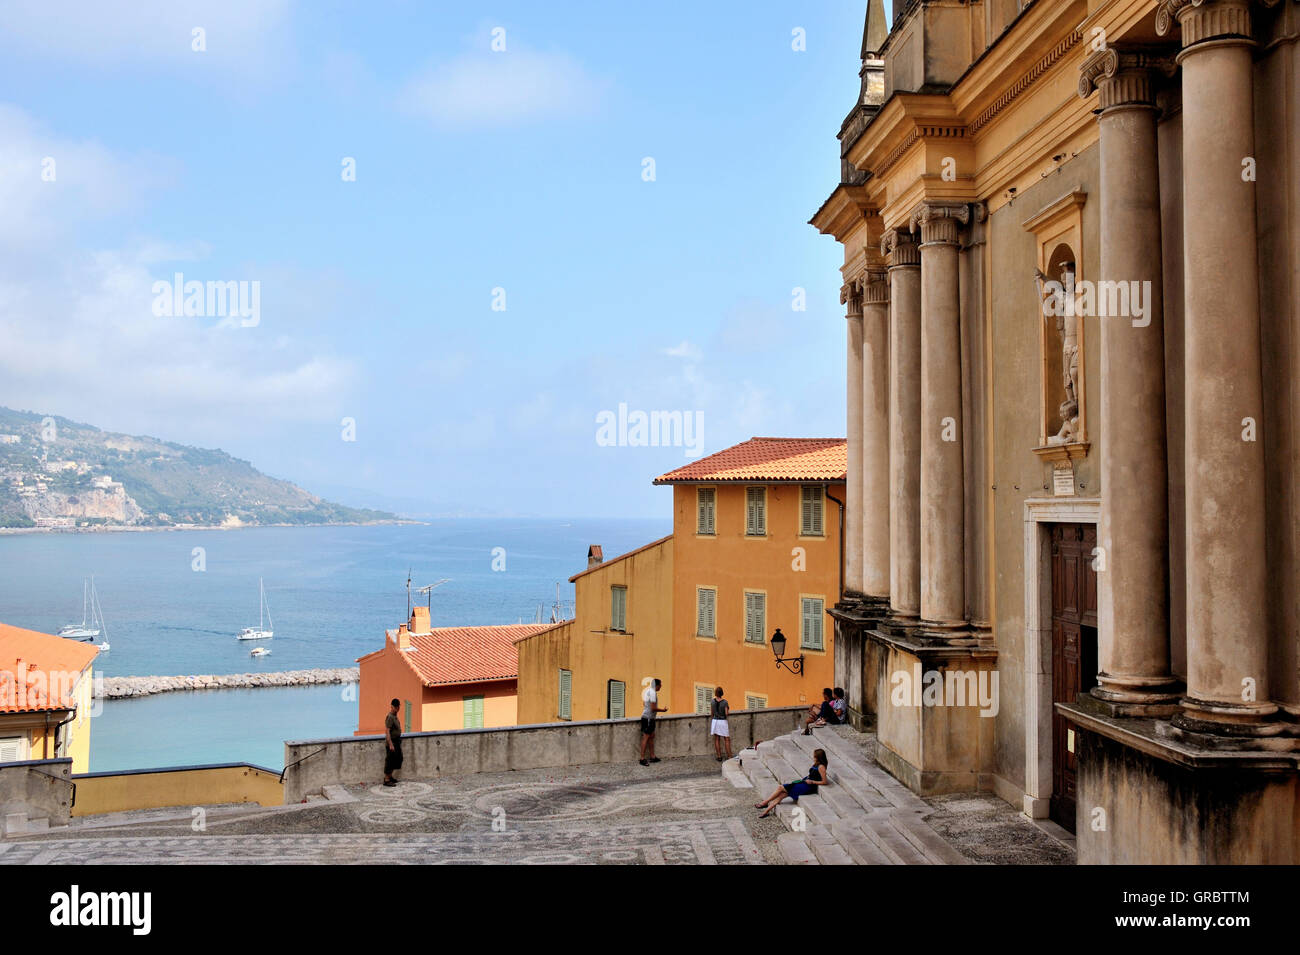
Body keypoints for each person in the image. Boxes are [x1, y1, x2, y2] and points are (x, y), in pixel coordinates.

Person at [754, 749, 829, 818]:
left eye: (814, 755)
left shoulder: (821, 767)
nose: (813, 756)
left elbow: (825, 781)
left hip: (808, 786)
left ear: (818, 757)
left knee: (781, 788)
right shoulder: (816, 764)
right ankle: (766, 811)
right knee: (781, 795)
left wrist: (812, 782)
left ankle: (765, 802)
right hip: (804, 783)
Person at [639, 678, 666, 766]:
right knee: (646, 737)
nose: (661, 686)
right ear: (657, 685)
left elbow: (644, 703)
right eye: (660, 685)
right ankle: (642, 758)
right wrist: (663, 710)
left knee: (651, 736)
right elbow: (653, 708)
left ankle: (652, 756)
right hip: (649, 718)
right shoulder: (653, 694)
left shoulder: (648, 691)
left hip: (647, 717)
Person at [383, 698, 403, 787]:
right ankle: (386, 779)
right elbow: (387, 731)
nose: (397, 709)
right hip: (392, 743)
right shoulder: (390, 717)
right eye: (395, 707)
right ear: (392, 707)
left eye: (398, 707)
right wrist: (390, 744)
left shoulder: (395, 716)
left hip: (397, 742)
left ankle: (390, 777)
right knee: (390, 761)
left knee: (398, 759)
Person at [710, 686, 732, 761]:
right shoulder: (725, 702)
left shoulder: (712, 701)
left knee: (717, 739)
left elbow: (711, 713)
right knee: (726, 739)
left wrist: (713, 718)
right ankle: (729, 756)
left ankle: (719, 756)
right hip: (723, 721)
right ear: (722, 693)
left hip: (715, 721)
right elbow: (726, 713)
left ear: (716, 693)